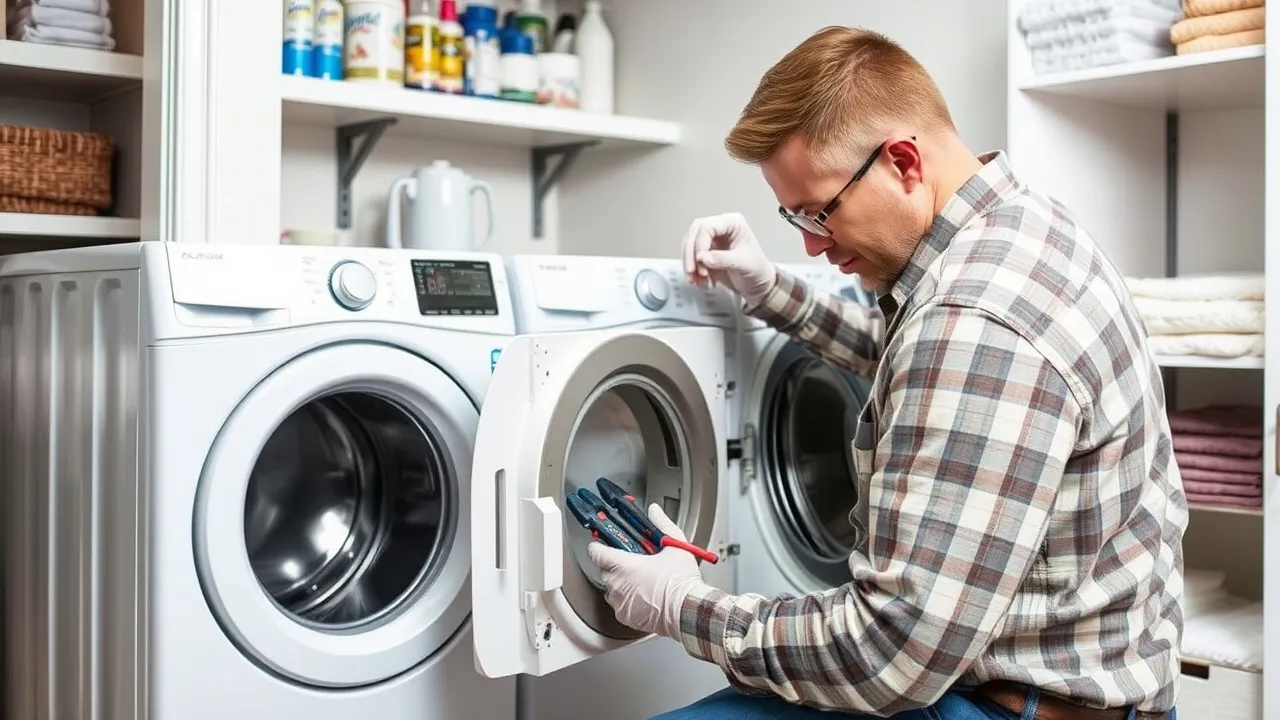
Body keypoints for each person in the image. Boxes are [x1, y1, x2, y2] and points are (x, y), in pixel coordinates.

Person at [586, 25, 1186, 720]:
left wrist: (683, 607)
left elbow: (889, 656)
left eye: (818, 212)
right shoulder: (1019, 229)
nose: (812, 241)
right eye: (793, 215)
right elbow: (911, 358)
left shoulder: (976, 321)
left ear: (903, 162)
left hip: (997, 707)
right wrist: (768, 288)